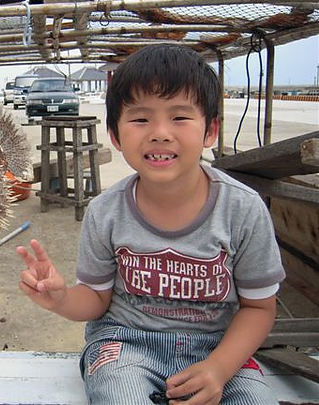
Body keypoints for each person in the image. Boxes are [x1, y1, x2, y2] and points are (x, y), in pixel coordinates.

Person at [16, 44, 285, 405]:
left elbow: (259, 308)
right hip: (127, 343)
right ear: (115, 135)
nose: (160, 133)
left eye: (180, 117)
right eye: (140, 119)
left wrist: (219, 368)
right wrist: (61, 299)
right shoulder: (105, 212)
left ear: (210, 130)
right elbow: (96, 299)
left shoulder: (243, 209)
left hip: (219, 347)